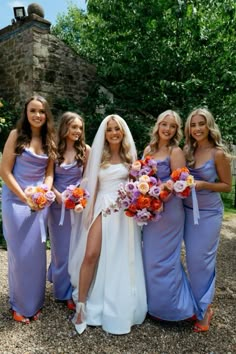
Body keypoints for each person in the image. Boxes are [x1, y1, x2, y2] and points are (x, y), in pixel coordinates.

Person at [68, 114, 147, 335]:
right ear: (105, 133)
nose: (113, 132)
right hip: (102, 207)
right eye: (110, 129)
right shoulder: (96, 155)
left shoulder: (131, 157)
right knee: (91, 254)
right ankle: (82, 306)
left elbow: (137, 185)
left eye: (117, 129)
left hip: (123, 213)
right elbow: (88, 183)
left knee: (119, 257)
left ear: (122, 132)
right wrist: (86, 206)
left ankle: (119, 303)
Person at [0, 95, 57, 323]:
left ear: (46, 115)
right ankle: (19, 306)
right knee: (20, 254)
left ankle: (34, 303)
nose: (37, 115)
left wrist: (44, 192)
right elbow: (5, 171)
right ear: (26, 113)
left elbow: (49, 173)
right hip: (16, 201)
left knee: (35, 255)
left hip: (38, 204)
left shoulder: (49, 140)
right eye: (33, 111)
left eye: (41, 111)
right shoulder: (16, 136)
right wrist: (25, 197)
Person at [142, 110, 196, 321]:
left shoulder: (176, 151)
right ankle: (154, 305)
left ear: (176, 130)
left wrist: (161, 189)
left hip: (170, 209)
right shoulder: (148, 149)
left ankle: (174, 309)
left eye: (172, 126)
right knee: (150, 259)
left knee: (166, 260)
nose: (167, 129)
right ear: (158, 125)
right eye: (164, 124)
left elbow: (179, 183)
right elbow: (142, 177)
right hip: (151, 210)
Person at [183, 108, 232, 332]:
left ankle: (205, 310)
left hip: (208, 214)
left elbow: (226, 186)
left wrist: (204, 185)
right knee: (189, 262)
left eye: (201, 124)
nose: (197, 129)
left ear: (209, 125)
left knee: (199, 261)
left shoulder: (218, 153)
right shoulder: (187, 150)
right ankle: (191, 304)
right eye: (193, 125)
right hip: (185, 211)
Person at [47, 112, 90, 310]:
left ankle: (72, 288)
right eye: (74, 127)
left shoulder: (86, 151)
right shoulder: (54, 150)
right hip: (57, 208)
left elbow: (88, 179)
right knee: (61, 250)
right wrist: (58, 196)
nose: (77, 132)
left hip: (78, 207)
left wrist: (78, 196)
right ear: (65, 127)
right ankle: (63, 293)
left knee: (77, 249)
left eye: (80, 128)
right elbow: (48, 178)